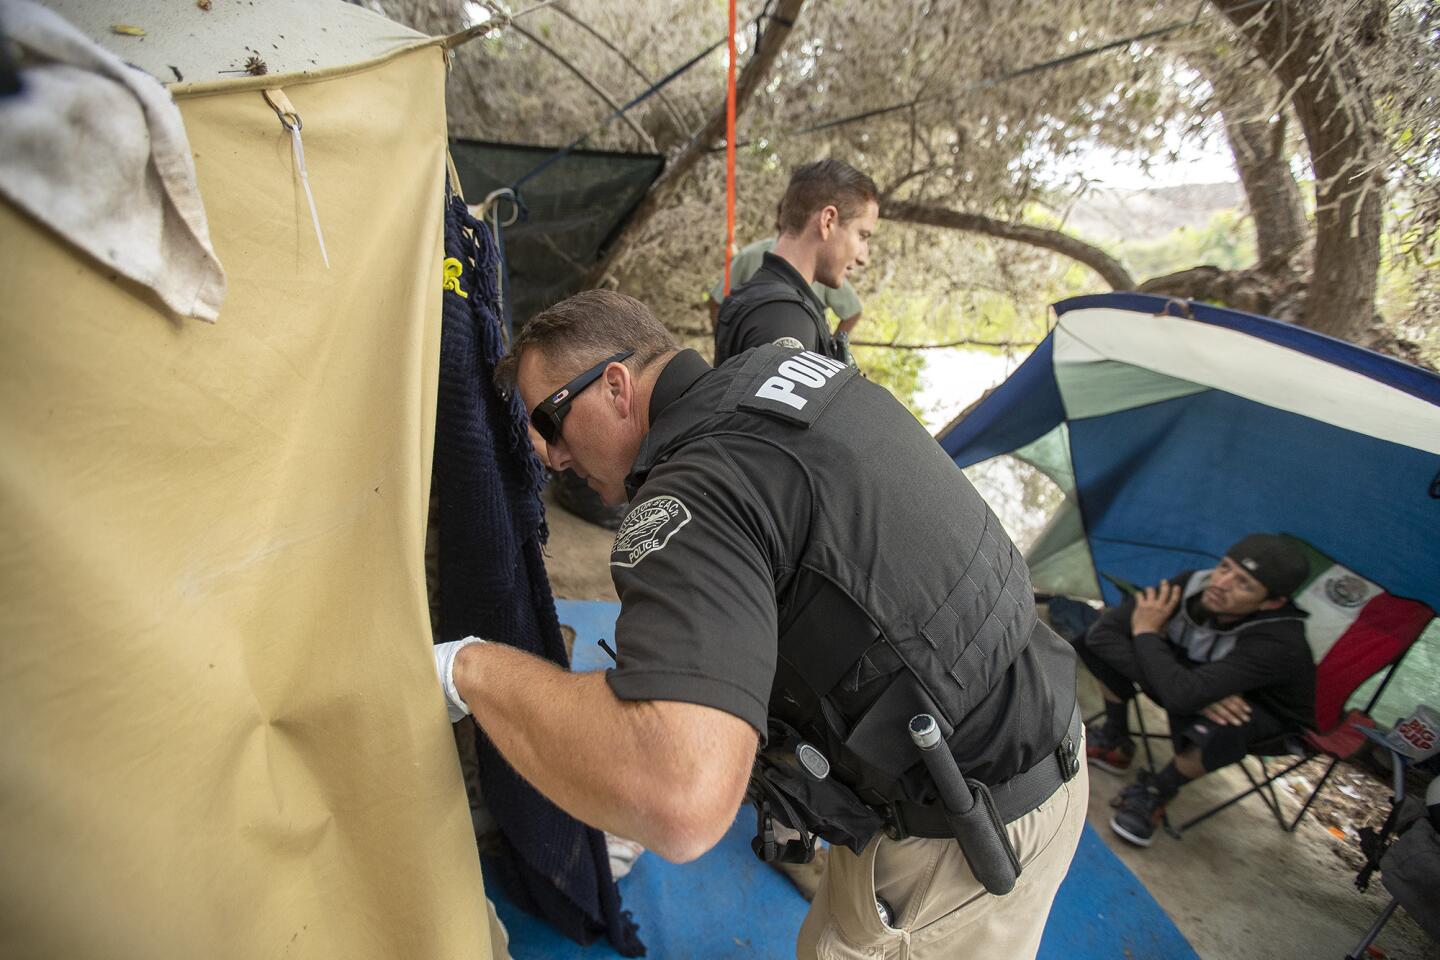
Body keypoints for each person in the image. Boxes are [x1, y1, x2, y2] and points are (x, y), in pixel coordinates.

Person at [433, 289, 1087, 959]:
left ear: (616, 387)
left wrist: (469, 668)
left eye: (549, 420)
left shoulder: (693, 490)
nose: (548, 454)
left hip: (961, 839)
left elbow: (681, 799)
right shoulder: (784, 375)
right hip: (1034, 733)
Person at [1075, 534, 1314, 847]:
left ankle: (1157, 791)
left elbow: (1179, 692)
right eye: (1224, 567)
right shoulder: (1191, 585)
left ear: (1272, 602)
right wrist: (1186, 686)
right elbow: (1103, 636)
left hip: (1264, 716)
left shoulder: (1280, 642)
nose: (1222, 583)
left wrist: (1148, 633)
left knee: (1230, 721)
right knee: (1090, 642)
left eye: (1244, 584)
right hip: (1198, 679)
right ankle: (1115, 738)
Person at [712, 159, 877, 366]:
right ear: (827, 222)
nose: (864, 257)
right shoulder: (785, 318)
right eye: (862, 235)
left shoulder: (778, 304)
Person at [708, 235, 863, 338]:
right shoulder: (749, 256)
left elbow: (852, 311)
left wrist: (829, 354)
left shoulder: (821, 266)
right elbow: (717, 301)